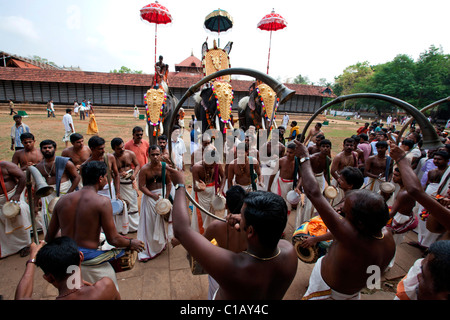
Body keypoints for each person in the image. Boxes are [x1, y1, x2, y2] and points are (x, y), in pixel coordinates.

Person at [169, 164, 298, 300]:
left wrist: (180, 186)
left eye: (241, 216)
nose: (238, 218)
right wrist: (245, 222)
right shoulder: (289, 252)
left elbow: (181, 230)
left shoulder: (233, 268)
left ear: (250, 231)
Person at [294, 140, 395, 300]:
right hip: (352, 293)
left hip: (328, 292)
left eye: (345, 211)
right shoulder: (387, 236)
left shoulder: (350, 236)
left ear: (360, 222)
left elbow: (313, 193)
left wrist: (304, 158)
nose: (340, 212)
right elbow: (372, 279)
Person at [45, 161, 144, 290]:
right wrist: (131, 243)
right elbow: (113, 239)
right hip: (92, 266)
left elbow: (49, 237)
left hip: (69, 263)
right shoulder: (102, 202)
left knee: (77, 296)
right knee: (107, 293)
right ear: (100, 178)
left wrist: (67, 238)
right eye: (105, 177)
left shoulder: (63, 200)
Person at [15, 237, 122, 300]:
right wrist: (87, 285)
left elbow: (21, 297)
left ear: (48, 278)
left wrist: (32, 258)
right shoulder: (106, 287)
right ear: (81, 256)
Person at [203, 185, 248, 299]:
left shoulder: (215, 227)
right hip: (246, 276)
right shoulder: (253, 228)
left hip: (220, 276)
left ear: (226, 205)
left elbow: (200, 246)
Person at [35, 140, 80, 235]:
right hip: (47, 195)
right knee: (50, 218)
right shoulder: (39, 166)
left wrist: (69, 194)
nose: (47, 149)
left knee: (68, 217)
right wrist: (35, 203)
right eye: (44, 148)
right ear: (41, 150)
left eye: (49, 147)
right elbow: (37, 186)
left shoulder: (64, 162)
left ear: (54, 149)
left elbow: (77, 177)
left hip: (65, 192)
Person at [137, 145, 174, 261]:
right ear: (149, 155)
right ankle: (149, 250)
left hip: (162, 198)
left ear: (161, 155)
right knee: (150, 224)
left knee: (161, 223)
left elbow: (168, 183)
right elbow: (141, 186)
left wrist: (166, 198)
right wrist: (152, 196)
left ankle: (161, 245)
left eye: (157, 154)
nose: (155, 157)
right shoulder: (144, 169)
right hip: (150, 199)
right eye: (153, 155)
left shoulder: (164, 167)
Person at [386, 167, 418, 268]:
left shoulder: (404, 193)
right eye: (394, 174)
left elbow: (392, 213)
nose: (393, 177)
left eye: (396, 175)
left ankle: (386, 265)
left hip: (400, 218)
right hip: (401, 216)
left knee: (390, 244)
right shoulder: (404, 189)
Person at [298, 139, 332, 228]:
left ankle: (312, 221)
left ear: (330, 148)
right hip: (310, 178)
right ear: (320, 148)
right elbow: (304, 171)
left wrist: (329, 185)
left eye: (327, 147)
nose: (325, 149)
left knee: (317, 199)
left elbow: (325, 173)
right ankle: (303, 221)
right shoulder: (312, 158)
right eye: (323, 146)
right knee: (307, 200)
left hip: (320, 179)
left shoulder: (328, 160)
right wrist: (300, 183)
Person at [190, 148, 226, 233]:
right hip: (201, 196)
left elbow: (224, 177)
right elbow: (195, 187)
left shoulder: (217, 164)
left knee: (211, 215)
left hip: (213, 193)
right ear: (204, 160)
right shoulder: (196, 167)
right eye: (209, 166)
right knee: (200, 216)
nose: (211, 168)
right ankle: (200, 237)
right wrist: (200, 187)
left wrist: (220, 190)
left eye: (213, 166)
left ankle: (210, 234)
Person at [0, 161, 31, 258]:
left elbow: (22, 177)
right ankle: (9, 249)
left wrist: (17, 194)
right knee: (2, 226)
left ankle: (25, 245)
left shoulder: (5, 165)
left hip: (12, 198)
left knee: (20, 220)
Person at [112, 137, 141, 232]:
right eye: (119, 148)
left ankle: (135, 226)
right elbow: (109, 173)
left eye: (122, 147)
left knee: (133, 204)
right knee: (123, 205)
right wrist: (119, 174)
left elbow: (137, 165)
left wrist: (134, 174)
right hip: (119, 184)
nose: (122, 149)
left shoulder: (130, 154)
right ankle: (122, 228)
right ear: (114, 149)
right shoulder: (112, 158)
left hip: (130, 184)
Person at [267, 143, 299, 216]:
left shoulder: (297, 162)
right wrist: (269, 188)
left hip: (291, 185)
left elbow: (301, 176)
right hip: (280, 184)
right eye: (287, 151)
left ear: (295, 152)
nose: (288, 154)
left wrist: (298, 186)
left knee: (289, 204)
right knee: (278, 202)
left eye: (290, 152)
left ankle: (285, 216)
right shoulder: (281, 160)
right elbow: (273, 174)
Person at [330, 138, 358, 207]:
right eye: (347, 145)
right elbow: (333, 171)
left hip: (349, 182)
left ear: (354, 146)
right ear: (343, 145)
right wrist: (340, 181)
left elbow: (356, 168)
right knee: (337, 202)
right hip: (339, 181)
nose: (349, 147)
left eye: (351, 145)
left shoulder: (355, 155)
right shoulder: (339, 157)